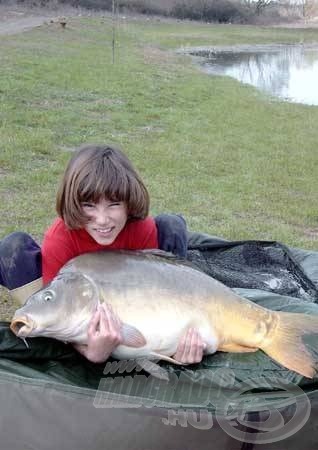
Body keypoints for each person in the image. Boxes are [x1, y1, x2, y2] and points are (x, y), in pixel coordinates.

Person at [0, 144, 206, 365]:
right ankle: (37, 324)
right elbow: (61, 310)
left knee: (171, 224)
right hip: (75, 307)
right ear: (74, 204)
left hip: (128, 299)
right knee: (14, 248)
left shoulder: (142, 228)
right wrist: (92, 352)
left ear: (129, 203)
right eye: (89, 205)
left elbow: (151, 296)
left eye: (114, 204)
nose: (102, 219)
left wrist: (176, 341)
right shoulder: (60, 238)